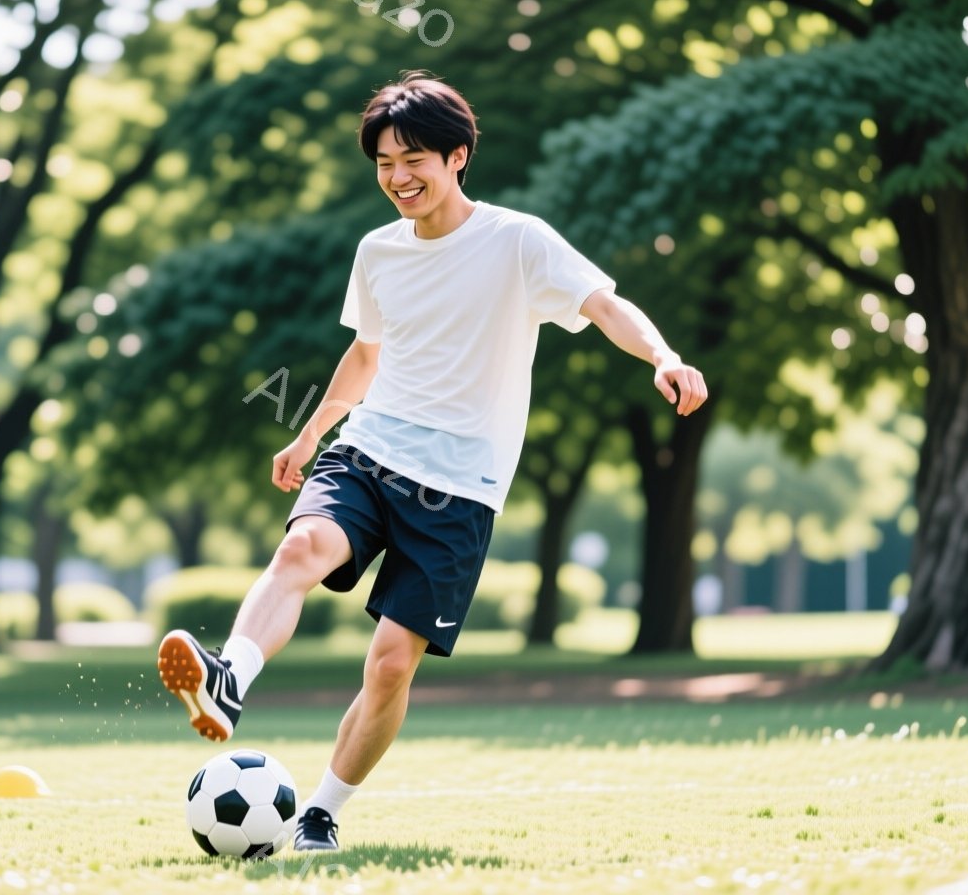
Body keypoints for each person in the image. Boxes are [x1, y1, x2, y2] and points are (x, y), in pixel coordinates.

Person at [157, 70, 708, 852]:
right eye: (384, 163)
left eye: (413, 158)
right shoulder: (377, 252)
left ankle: (321, 813)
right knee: (301, 546)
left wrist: (662, 356)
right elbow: (366, 353)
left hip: (460, 489)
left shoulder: (519, 241)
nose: (398, 177)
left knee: (388, 666)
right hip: (372, 450)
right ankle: (229, 679)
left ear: (457, 157)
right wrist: (311, 434)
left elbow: (604, 304)